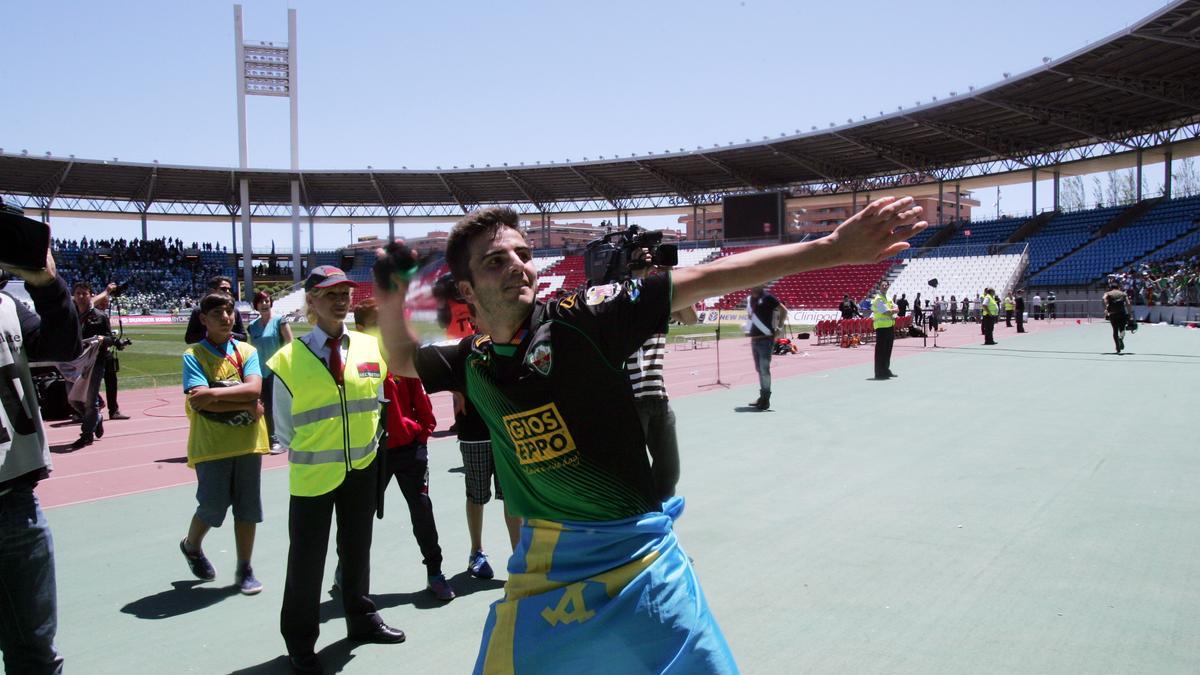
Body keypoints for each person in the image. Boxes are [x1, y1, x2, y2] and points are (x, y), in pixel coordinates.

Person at [373, 197, 925, 673]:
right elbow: (399, 357)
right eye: (497, 261)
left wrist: (829, 247)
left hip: (641, 563)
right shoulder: (474, 363)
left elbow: (705, 278)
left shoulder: (583, 317)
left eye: (523, 253)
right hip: (544, 578)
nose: (518, 265)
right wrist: (391, 291)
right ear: (467, 288)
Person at [267, 266, 405, 674]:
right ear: (310, 302)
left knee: (357, 551)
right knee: (307, 563)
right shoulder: (287, 360)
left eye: (345, 292)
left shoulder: (369, 346)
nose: (341, 300)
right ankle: (300, 643)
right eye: (330, 294)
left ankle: (361, 619)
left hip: (361, 467)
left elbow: (377, 403)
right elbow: (284, 429)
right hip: (312, 476)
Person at [0, 244, 80, 675]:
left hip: (15, 498)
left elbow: (65, 347)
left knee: (36, 652)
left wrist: (48, 286)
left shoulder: (8, 305)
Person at [352, 298, 455, 601]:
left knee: (421, 510)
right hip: (371, 454)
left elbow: (421, 403)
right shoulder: (353, 365)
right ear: (360, 328)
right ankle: (348, 572)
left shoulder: (400, 358)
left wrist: (421, 436)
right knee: (358, 517)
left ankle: (435, 572)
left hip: (409, 450)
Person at [179, 292, 269, 595]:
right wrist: (242, 402)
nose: (225, 317)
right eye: (217, 312)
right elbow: (200, 403)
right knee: (212, 506)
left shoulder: (246, 350)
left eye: (229, 311)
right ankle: (192, 546)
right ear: (203, 319)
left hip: (248, 443)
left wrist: (216, 394)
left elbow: (255, 388)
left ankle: (245, 567)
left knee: (247, 509)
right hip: (211, 445)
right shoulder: (194, 355)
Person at [627, 247, 697, 499]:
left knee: (669, 473)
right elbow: (630, 298)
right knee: (632, 473)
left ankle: (659, 519)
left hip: (659, 397)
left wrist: (669, 278)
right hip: (630, 400)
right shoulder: (621, 298)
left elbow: (690, 318)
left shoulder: (660, 300)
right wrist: (636, 273)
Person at [247, 290, 292, 454]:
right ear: (256, 305)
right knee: (263, 405)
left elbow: (290, 344)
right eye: (261, 301)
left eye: (267, 301)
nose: (265, 304)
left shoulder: (280, 321)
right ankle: (269, 437)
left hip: (277, 370)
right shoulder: (252, 327)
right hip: (259, 371)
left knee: (277, 406)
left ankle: (279, 438)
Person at [69, 282, 110, 450]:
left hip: (96, 362)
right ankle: (97, 418)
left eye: (84, 293)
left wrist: (101, 339)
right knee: (73, 399)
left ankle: (86, 435)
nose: (80, 297)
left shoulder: (100, 316)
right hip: (76, 363)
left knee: (90, 400)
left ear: (91, 295)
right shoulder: (70, 316)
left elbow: (110, 339)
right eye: (78, 293)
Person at [91, 284, 129, 420]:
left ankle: (106, 408)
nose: (107, 303)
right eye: (105, 301)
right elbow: (106, 337)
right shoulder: (100, 315)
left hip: (96, 354)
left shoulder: (93, 314)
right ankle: (112, 410)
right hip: (100, 354)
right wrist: (117, 342)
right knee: (109, 382)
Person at [746, 284, 786, 410]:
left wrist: (779, 326)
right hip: (755, 339)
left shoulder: (768, 297)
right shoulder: (751, 299)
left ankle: (766, 399)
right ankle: (762, 396)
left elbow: (783, 310)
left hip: (765, 340)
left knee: (764, 370)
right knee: (759, 369)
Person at [185, 276, 246, 344]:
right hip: (205, 352)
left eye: (229, 289)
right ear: (213, 290)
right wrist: (211, 334)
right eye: (223, 289)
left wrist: (228, 333)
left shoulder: (234, 311)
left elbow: (243, 337)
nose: (228, 291)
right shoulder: (199, 310)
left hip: (230, 353)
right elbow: (189, 338)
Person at [871, 281, 898, 379]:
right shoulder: (878, 299)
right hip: (881, 327)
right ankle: (879, 372)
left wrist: (893, 310)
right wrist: (893, 311)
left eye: (886, 285)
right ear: (879, 287)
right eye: (883, 285)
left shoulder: (888, 298)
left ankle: (886, 369)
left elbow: (895, 306)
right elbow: (885, 311)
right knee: (880, 351)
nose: (885, 287)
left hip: (890, 326)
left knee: (887, 350)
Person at [1102, 280, 1131, 354]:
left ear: (1111, 288)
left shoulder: (1108, 293)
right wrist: (1130, 313)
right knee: (1122, 329)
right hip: (1122, 313)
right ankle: (1121, 338)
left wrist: (1106, 308)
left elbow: (1103, 298)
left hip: (1112, 314)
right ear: (1118, 287)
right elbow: (1128, 303)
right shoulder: (1123, 293)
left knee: (1115, 330)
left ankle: (1117, 347)